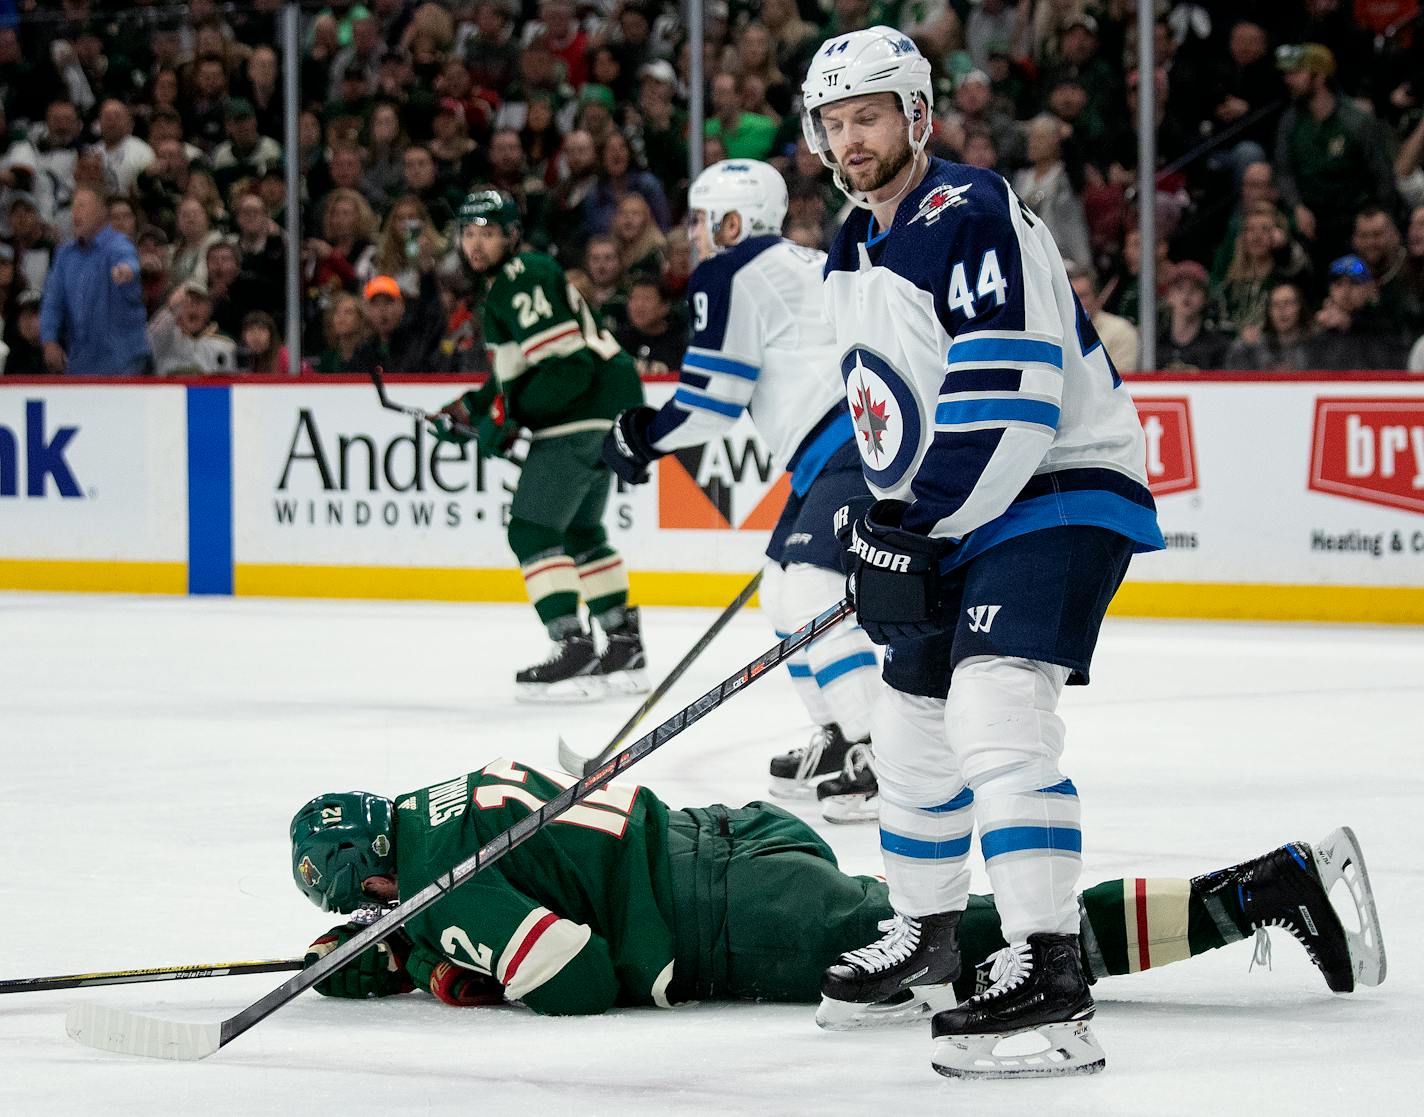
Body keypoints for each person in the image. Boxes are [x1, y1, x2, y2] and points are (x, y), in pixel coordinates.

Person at [798, 27, 1164, 1078]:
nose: (849, 136)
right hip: (951, 512)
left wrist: (912, 526)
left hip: (1052, 490)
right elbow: (879, 397)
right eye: (833, 121)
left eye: (867, 114)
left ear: (915, 116)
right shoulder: (851, 241)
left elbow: (1011, 392)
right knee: (907, 722)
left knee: (992, 707)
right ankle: (928, 935)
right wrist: (869, 514)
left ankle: (1049, 973)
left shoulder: (966, 211)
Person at [289, 760, 1386, 1021]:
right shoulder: (443, 801)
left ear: (371, 879)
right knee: (966, 929)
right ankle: (1250, 893)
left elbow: (572, 978)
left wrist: (443, 963)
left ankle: (1258, 891)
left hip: (723, 912)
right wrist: (412, 946)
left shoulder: (432, 882)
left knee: (999, 938)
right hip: (737, 839)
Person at [601, 160, 885, 824]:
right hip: (845, 442)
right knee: (783, 588)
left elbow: (712, 401)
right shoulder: (801, 260)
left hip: (848, 442)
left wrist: (641, 436)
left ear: (733, 222)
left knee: (814, 591)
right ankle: (842, 733)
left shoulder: (730, 271)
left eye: (701, 220)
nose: (693, 235)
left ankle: (885, 753)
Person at [433, 191, 647, 702]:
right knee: (580, 530)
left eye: (488, 232)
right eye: (468, 233)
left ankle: (572, 646)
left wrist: (505, 420)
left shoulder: (521, 278)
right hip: (607, 407)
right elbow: (521, 373)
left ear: (511, 234)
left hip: (581, 412)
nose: (476, 243)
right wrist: (473, 407)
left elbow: (566, 368)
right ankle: (621, 643)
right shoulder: (509, 284)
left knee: (531, 530)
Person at [38, 185, 151, 375]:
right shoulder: (65, 256)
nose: (75, 212)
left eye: (82, 206)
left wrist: (127, 270)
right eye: (73, 207)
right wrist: (49, 341)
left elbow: (128, 259)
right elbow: (52, 302)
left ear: (101, 213)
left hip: (123, 362)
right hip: (81, 364)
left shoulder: (117, 245)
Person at [349, 273, 446, 374]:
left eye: (388, 302)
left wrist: (427, 275)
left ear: (401, 305)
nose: (382, 309)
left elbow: (433, 315)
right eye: (375, 304)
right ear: (367, 310)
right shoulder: (363, 352)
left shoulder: (418, 343)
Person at [147, 282, 238, 377]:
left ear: (209, 309)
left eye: (199, 302)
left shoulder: (223, 344)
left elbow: (228, 384)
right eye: (186, 302)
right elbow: (152, 337)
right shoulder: (165, 339)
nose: (193, 307)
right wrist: (170, 309)